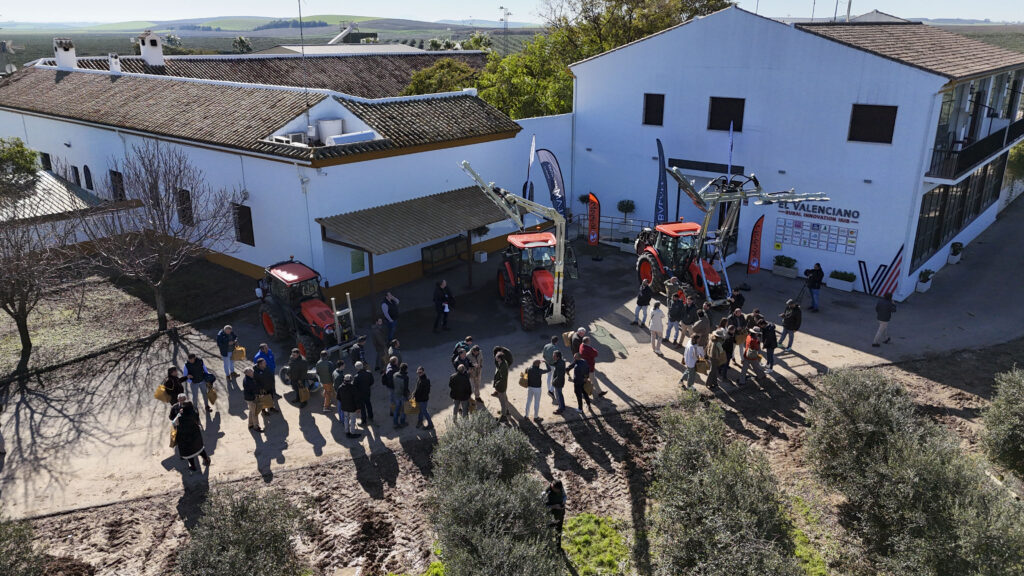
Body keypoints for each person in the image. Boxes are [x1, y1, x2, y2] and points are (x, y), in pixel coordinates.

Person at [170, 393, 210, 473]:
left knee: (188, 451)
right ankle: (206, 459)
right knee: (199, 447)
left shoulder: (175, 408)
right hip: (194, 432)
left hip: (183, 434)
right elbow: (196, 416)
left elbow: (172, 418)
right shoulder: (190, 406)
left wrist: (179, 415)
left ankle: (193, 466)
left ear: (179, 400)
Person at [337, 374, 362, 439]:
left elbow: (338, 398)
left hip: (344, 407)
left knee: (346, 419)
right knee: (353, 421)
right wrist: (358, 408)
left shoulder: (340, 387)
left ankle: (346, 432)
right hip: (352, 408)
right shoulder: (353, 388)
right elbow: (357, 399)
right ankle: (352, 433)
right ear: (350, 380)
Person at [542, 480, 567, 546]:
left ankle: (558, 546)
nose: (559, 491)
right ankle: (547, 546)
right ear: (553, 487)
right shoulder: (546, 493)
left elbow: (564, 496)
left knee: (559, 531)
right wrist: (554, 506)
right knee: (548, 532)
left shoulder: (560, 488)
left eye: (560, 490)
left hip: (560, 515)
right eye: (557, 490)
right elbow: (542, 507)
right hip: (550, 517)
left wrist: (564, 501)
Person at [241, 367, 262, 432]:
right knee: (255, 412)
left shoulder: (248, 378)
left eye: (252, 371)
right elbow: (254, 390)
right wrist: (259, 394)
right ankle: (256, 427)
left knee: (251, 411)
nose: (253, 372)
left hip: (248, 398)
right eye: (251, 372)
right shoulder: (249, 381)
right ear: (247, 373)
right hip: (251, 399)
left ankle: (250, 424)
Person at [354, 361, 375, 426]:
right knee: (368, 404)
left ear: (357, 368)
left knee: (362, 408)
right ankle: (370, 417)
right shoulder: (369, 373)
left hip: (360, 394)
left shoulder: (356, 377)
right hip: (367, 391)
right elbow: (372, 382)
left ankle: (364, 421)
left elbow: (355, 387)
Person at [493, 350, 511, 420]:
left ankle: (504, 416)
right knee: (504, 399)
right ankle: (507, 411)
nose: (495, 357)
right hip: (501, 385)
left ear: (500, 358)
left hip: (501, 386)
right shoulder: (501, 362)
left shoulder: (503, 365)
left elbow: (503, 378)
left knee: (502, 401)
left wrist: (497, 384)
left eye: (496, 356)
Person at [392, 363, 411, 428]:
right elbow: (405, 388)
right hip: (403, 395)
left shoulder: (395, 375)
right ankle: (402, 422)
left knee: (397, 409)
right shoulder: (406, 377)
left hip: (396, 394)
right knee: (404, 409)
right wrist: (408, 395)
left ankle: (395, 423)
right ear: (405, 369)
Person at [550, 350, 567, 415]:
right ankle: (562, 406)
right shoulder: (561, 361)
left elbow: (559, 376)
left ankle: (561, 408)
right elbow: (554, 364)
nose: (553, 357)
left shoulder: (559, 364)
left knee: (558, 395)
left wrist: (553, 382)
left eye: (554, 356)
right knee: (560, 394)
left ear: (558, 357)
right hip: (561, 381)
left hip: (558, 382)